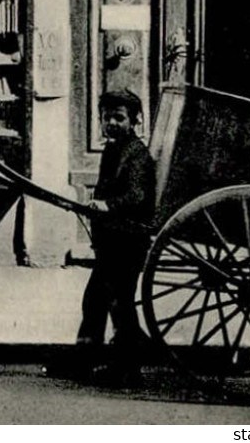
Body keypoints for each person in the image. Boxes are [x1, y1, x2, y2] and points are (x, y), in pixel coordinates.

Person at [53, 87, 156, 385]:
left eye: (119, 118)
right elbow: (104, 190)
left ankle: (127, 369)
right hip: (113, 241)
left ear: (134, 121)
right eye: (106, 117)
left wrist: (107, 205)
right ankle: (86, 362)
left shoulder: (137, 155)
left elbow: (136, 196)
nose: (111, 123)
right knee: (97, 302)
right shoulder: (112, 150)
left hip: (128, 243)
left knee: (117, 304)